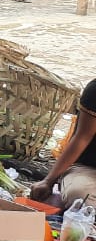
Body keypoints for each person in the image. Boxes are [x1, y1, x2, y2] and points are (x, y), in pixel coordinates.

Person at [31, 79, 96, 208]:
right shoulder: (94, 91)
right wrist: (49, 181)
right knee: (80, 196)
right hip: (87, 169)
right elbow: (82, 137)